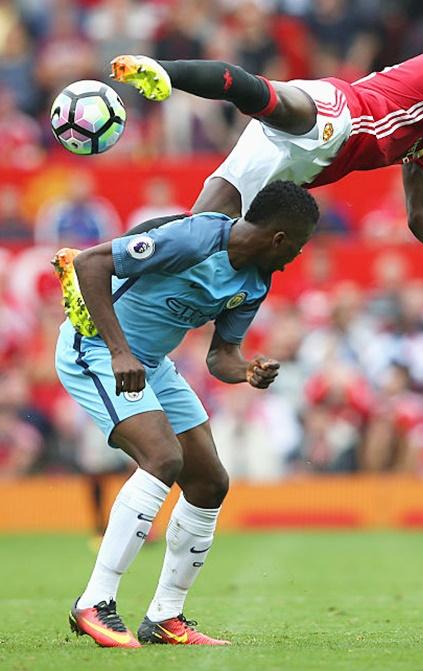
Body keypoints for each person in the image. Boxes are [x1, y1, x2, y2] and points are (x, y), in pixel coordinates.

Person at [108, 8, 423, 339]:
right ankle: (163, 71)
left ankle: (98, 271)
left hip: (310, 162)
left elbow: (422, 218)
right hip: (340, 117)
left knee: (194, 231)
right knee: (266, 96)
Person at [52, 181, 318, 648]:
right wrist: (119, 352)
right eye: (296, 246)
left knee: (210, 481)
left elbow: (221, 356)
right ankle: (94, 602)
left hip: (150, 364)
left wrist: (247, 371)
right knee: (161, 456)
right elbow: (90, 263)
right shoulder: (194, 238)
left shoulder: (256, 279)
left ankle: (165, 617)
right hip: (94, 349)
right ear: (279, 238)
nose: (294, 257)